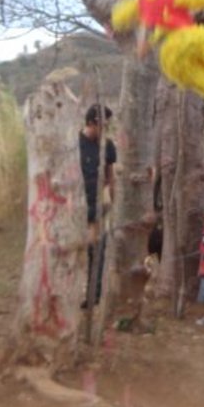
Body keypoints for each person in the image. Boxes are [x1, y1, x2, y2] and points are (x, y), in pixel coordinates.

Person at [79, 103, 117, 307]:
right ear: (93, 123)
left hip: (97, 204)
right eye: (104, 124)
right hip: (75, 206)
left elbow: (111, 177)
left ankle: (94, 294)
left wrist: (113, 200)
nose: (106, 129)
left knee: (96, 249)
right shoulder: (75, 143)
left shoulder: (107, 146)